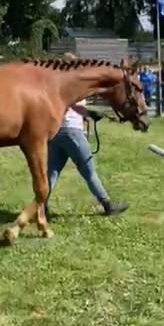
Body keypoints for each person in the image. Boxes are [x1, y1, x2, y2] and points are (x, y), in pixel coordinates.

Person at [45, 53, 127, 219]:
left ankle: (41, 205)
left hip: (55, 132)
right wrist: (91, 113)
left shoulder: (54, 82)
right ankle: (107, 204)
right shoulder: (71, 84)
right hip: (71, 130)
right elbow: (74, 105)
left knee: (52, 172)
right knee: (89, 171)